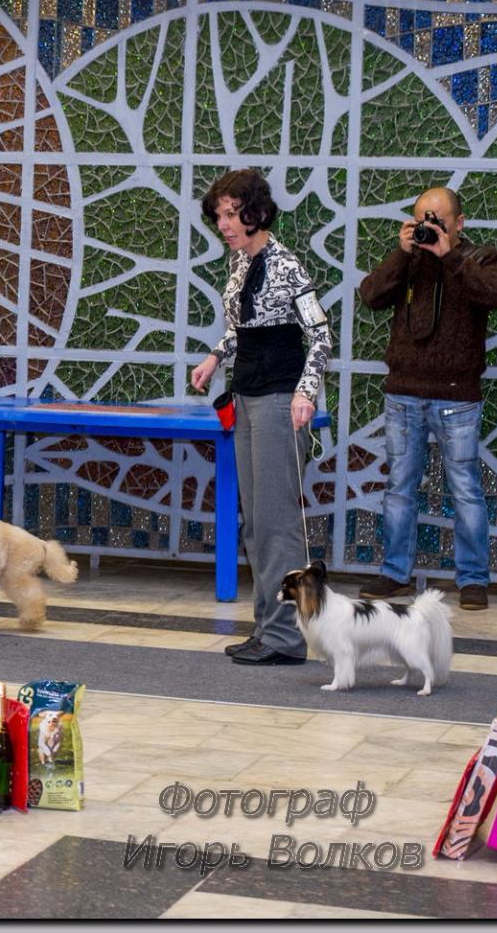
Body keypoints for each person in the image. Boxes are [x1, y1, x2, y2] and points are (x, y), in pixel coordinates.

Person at [189, 169, 331, 667]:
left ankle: (287, 638)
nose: (225, 225)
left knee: (278, 525)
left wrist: (306, 392)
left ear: (257, 213)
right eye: (220, 216)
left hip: (278, 399)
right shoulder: (241, 262)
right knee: (256, 524)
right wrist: (215, 357)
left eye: (232, 214)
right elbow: (241, 328)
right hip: (247, 396)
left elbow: (320, 335)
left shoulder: (285, 264)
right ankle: (267, 627)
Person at [357, 187, 497, 610]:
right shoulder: (410, 260)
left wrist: (449, 256)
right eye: (422, 219)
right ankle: (395, 573)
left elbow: (493, 295)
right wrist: (402, 253)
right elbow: (371, 295)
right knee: (399, 488)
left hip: (456, 397)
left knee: (466, 490)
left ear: (459, 223)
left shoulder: (481, 257)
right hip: (403, 394)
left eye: (438, 220)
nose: (429, 227)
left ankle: (473, 580)